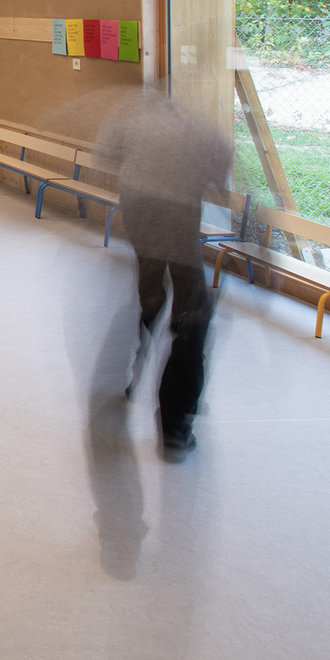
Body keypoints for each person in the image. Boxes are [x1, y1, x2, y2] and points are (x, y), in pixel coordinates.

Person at [94, 89, 233, 460]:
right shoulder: (202, 128)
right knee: (194, 317)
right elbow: (222, 181)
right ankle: (175, 427)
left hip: (140, 216)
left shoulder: (133, 115)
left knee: (151, 292)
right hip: (178, 221)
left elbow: (106, 156)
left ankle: (136, 368)